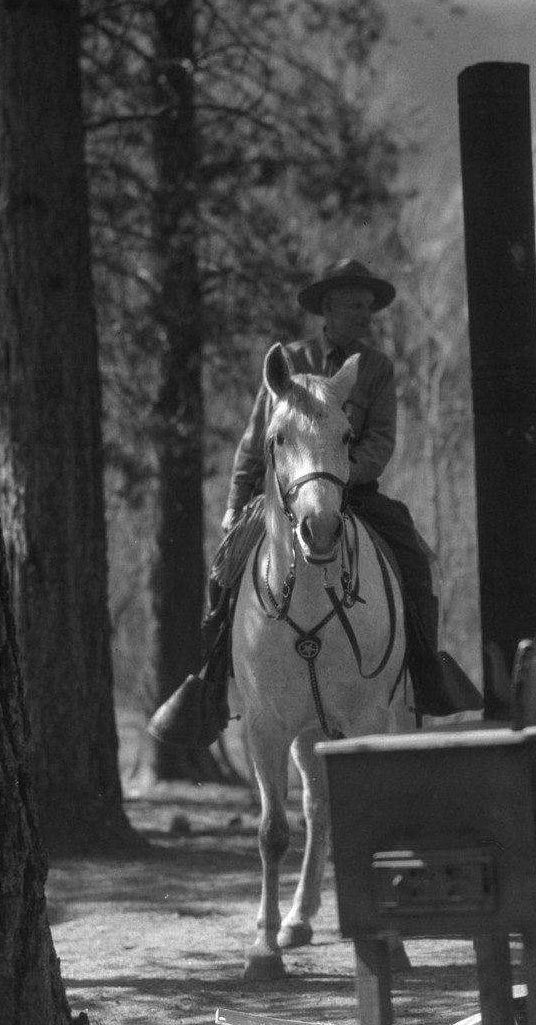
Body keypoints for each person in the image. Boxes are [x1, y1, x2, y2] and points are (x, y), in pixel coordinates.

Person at [148, 258, 480, 747]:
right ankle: (213, 681)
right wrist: (235, 504)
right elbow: (255, 442)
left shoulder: (375, 368)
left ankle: (424, 673)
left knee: (413, 560)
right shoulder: (290, 362)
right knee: (224, 573)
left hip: (355, 494)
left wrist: (338, 476)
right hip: (284, 499)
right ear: (328, 306)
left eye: (369, 306)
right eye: (355, 305)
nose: (365, 314)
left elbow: (381, 441)